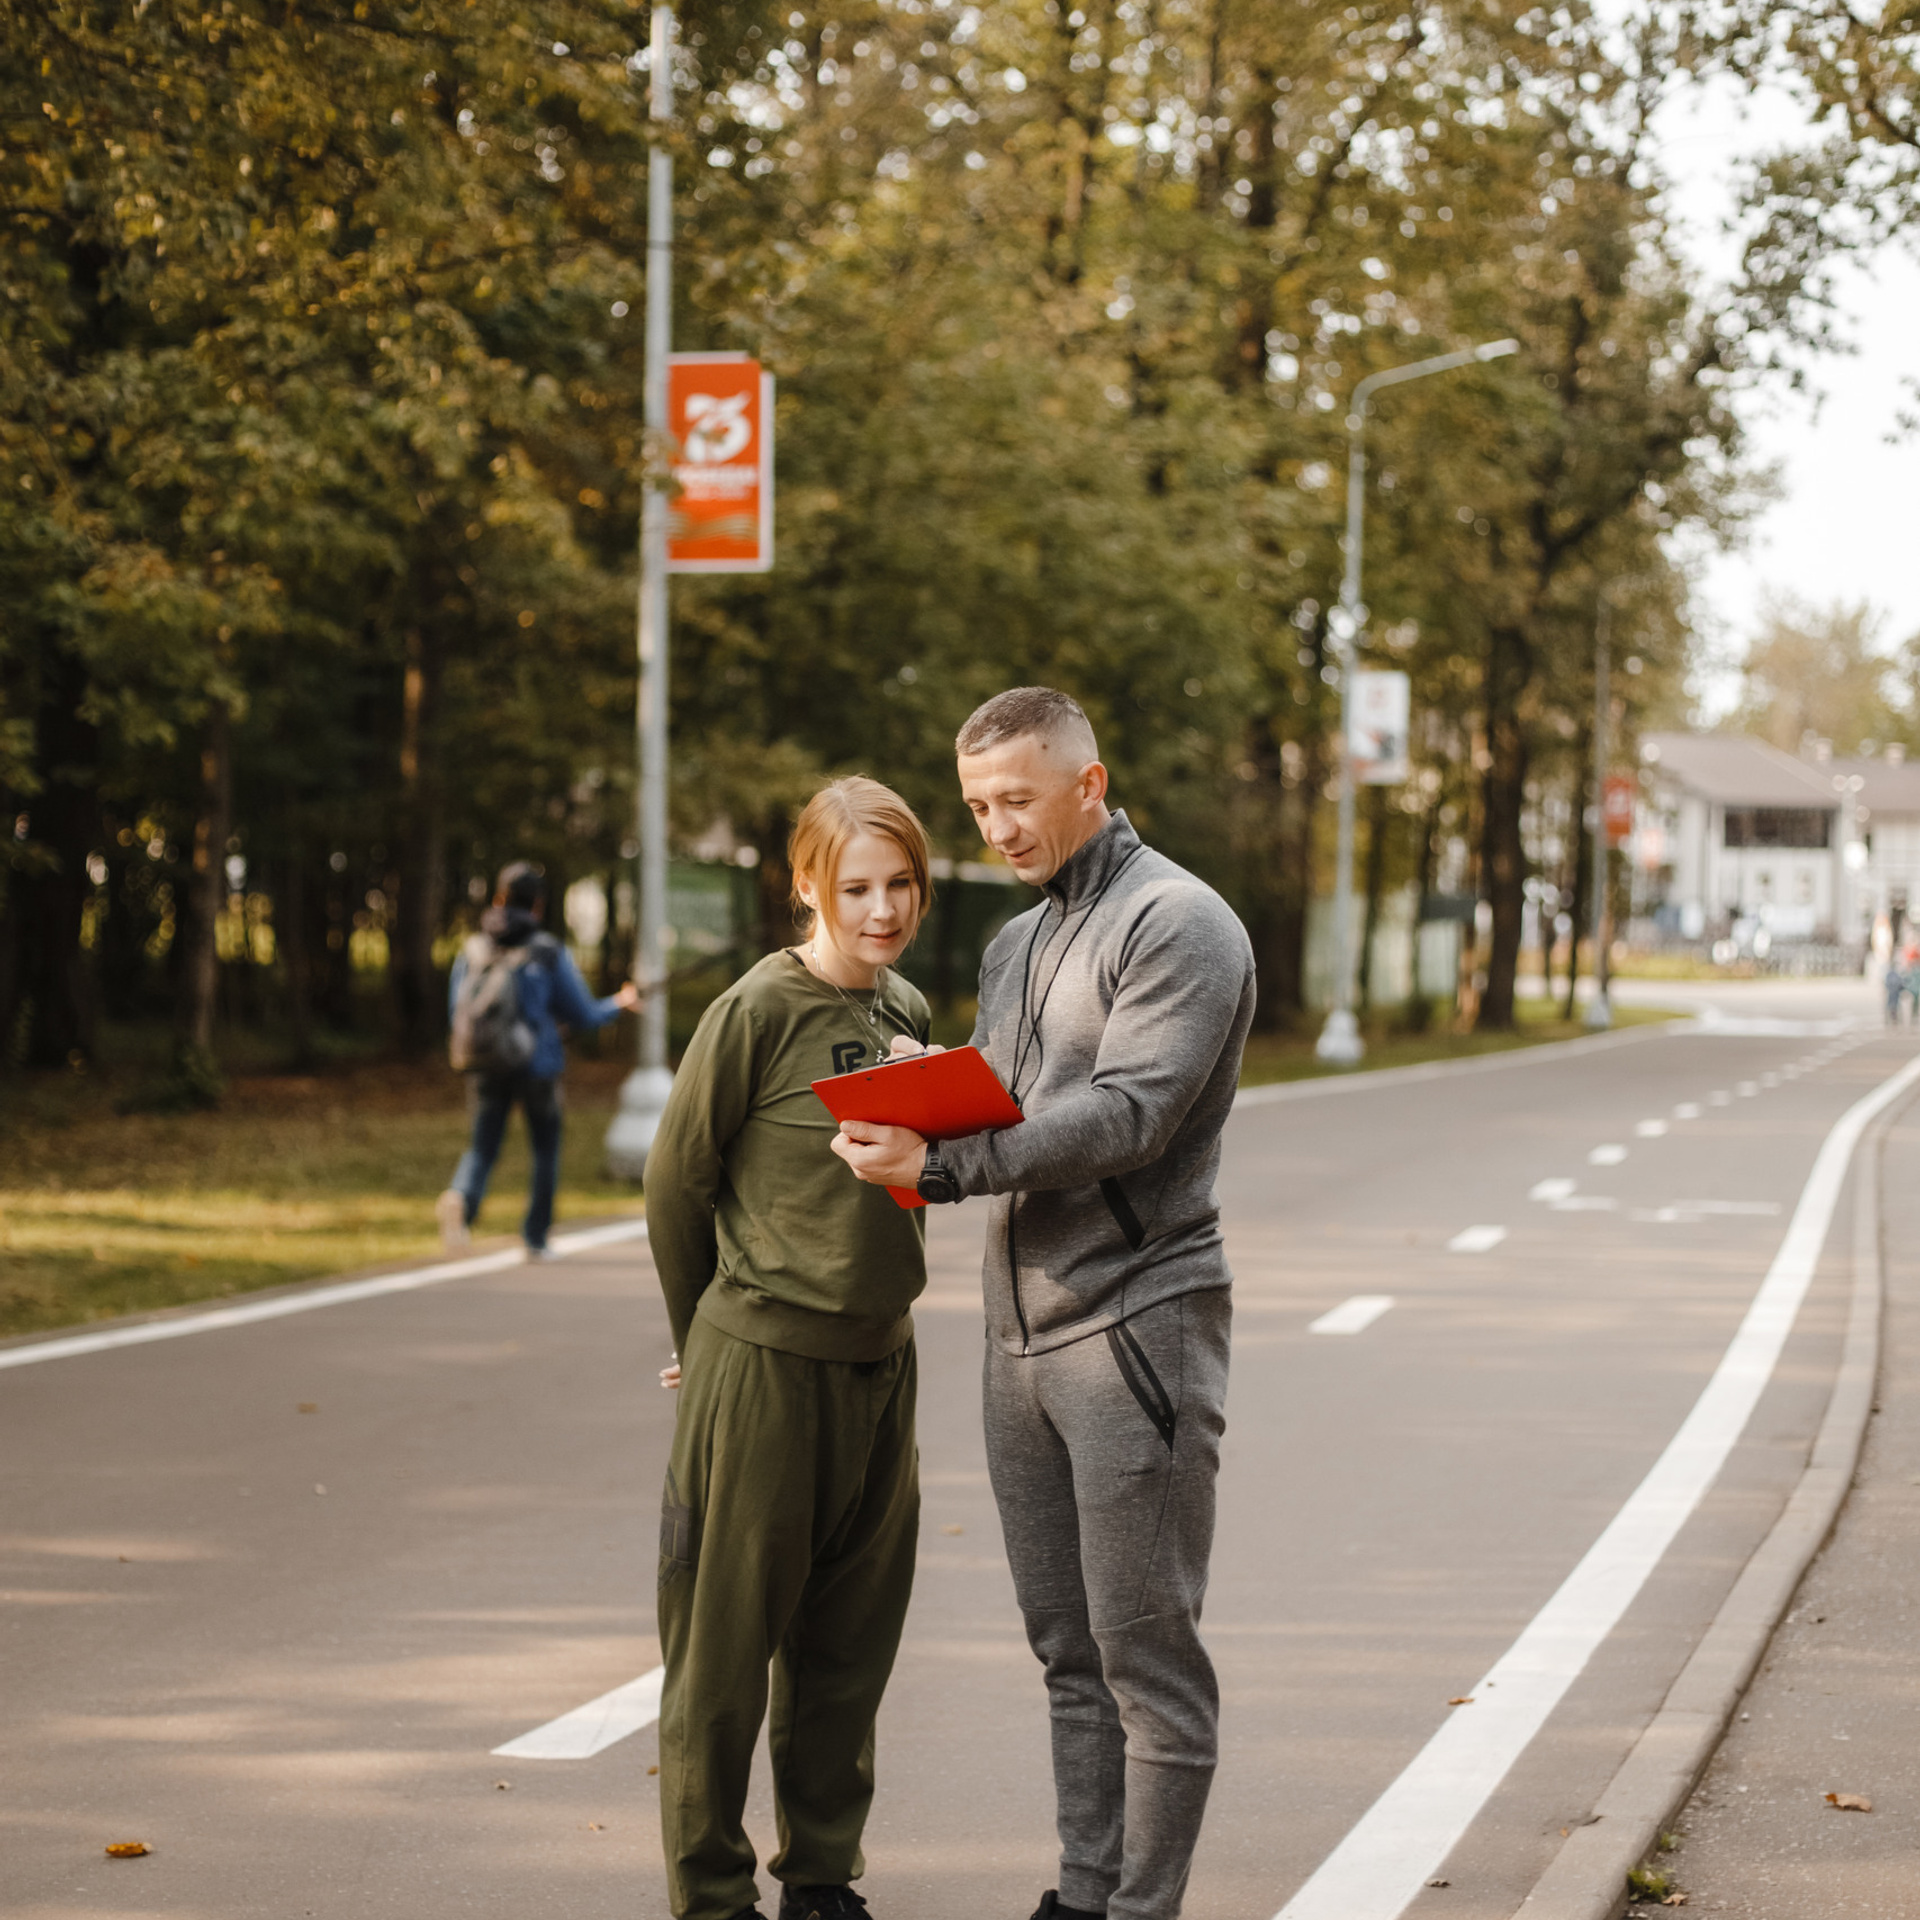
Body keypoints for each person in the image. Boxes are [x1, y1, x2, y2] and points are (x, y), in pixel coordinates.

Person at [832, 688, 1256, 1920]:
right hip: (1017, 1341)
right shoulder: (1017, 945)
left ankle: (1141, 1911)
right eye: (977, 807)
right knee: (1070, 1657)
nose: (997, 828)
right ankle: (1083, 1897)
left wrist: (947, 1162)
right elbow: (1007, 1097)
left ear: (1090, 781)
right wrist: (921, 1093)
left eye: (1017, 800)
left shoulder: (1180, 922)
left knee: (1146, 1659)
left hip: (1136, 1329)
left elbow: (1129, 1113)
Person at [645, 777, 937, 1920]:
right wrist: (697, 1339)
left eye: (900, 883)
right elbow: (679, 1182)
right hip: (762, 1367)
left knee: (847, 1649)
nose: (881, 908)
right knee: (722, 1656)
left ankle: (821, 1880)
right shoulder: (757, 1010)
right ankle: (712, 1897)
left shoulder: (906, 1012)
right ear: (807, 885)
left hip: (881, 1364)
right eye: (856, 886)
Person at [434, 861, 639, 1256]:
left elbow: (455, 1010)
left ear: (498, 899)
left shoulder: (474, 949)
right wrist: (620, 1003)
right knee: (545, 1149)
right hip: (537, 1066)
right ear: (539, 906)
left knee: (482, 1147)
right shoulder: (546, 951)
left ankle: (462, 1199)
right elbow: (583, 1014)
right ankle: (535, 1235)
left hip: (483, 1063)